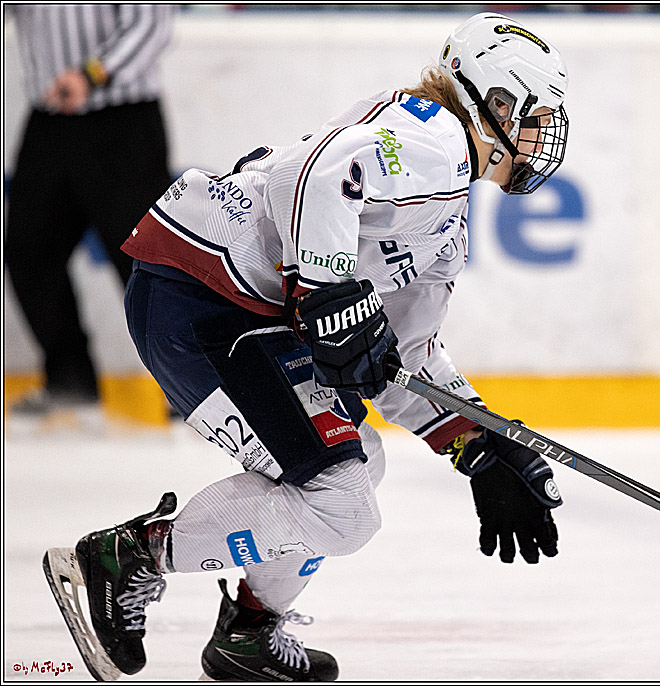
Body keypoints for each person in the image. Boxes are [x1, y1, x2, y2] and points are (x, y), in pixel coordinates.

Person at [43, 13, 570, 682]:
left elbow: (405, 354)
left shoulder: (445, 198)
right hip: (201, 298)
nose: (541, 136)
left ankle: (250, 631)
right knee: (343, 507)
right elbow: (313, 176)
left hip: (227, 308)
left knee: (354, 470)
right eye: (535, 115)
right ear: (495, 103)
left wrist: (480, 441)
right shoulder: (433, 141)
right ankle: (133, 557)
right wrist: (326, 290)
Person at [5, 5, 176, 420]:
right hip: (50, 118)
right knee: (29, 249)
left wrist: (91, 74)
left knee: (146, 261)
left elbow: (152, 24)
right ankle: (70, 377)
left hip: (122, 122)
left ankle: (187, 383)